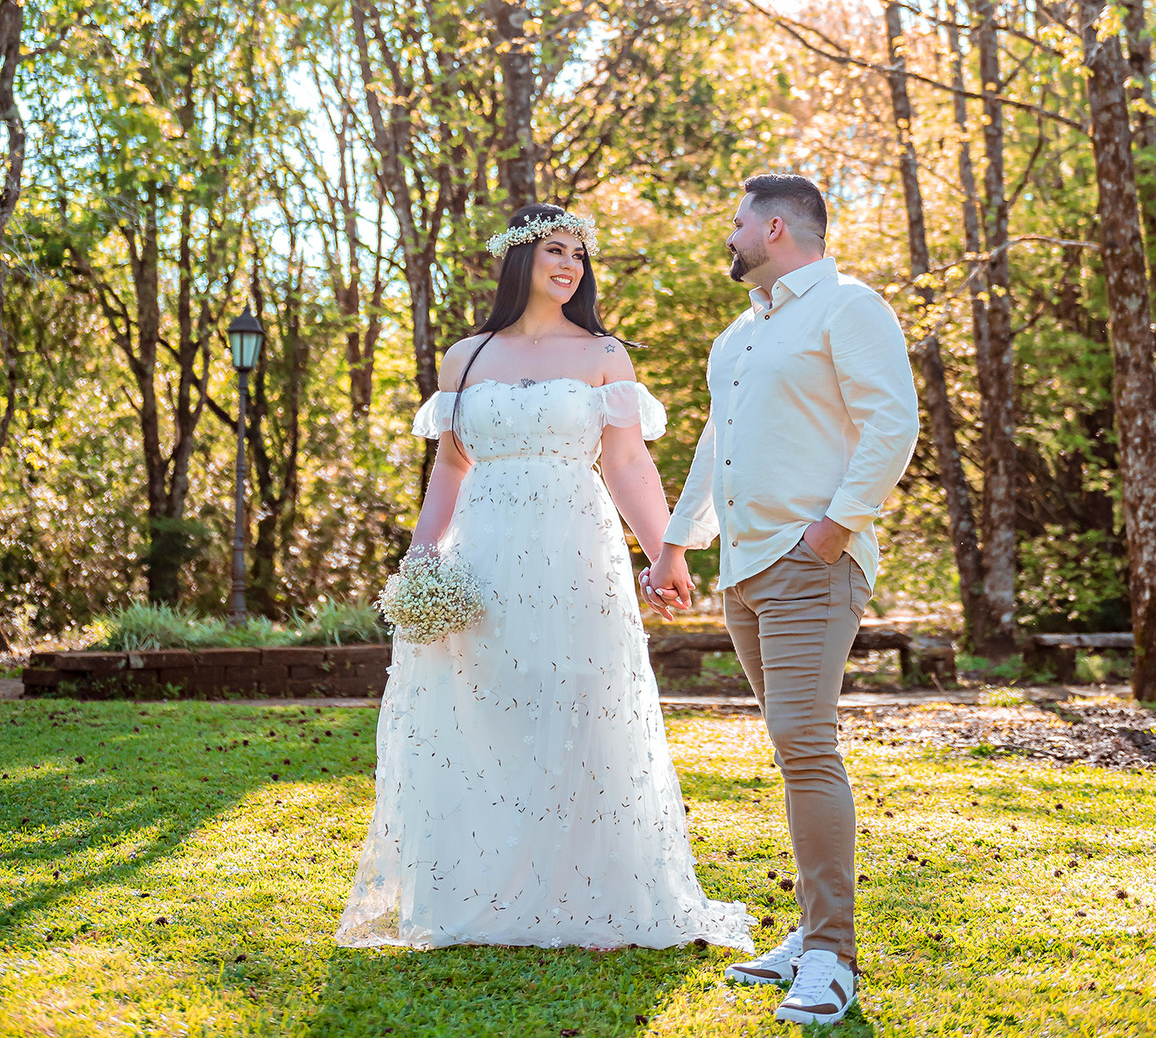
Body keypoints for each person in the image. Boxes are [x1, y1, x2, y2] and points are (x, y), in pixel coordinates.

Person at [337, 202, 750, 954]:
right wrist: (422, 556)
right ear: (519, 257)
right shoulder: (465, 357)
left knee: (579, 698)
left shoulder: (604, 354)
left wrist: (666, 550)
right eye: (555, 250)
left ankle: (585, 893)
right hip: (483, 552)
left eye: (579, 254)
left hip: (575, 546)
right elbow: (450, 466)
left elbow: (626, 461)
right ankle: (482, 891)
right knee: (485, 702)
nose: (569, 265)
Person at [647, 174, 919, 1027]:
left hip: (811, 562)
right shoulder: (737, 335)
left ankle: (832, 953)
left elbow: (893, 423)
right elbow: (716, 440)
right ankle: (808, 934)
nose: (727, 237)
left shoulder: (849, 306)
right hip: (746, 568)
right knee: (792, 748)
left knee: (806, 745)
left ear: (772, 228)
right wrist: (676, 541)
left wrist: (833, 529)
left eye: (736, 223)